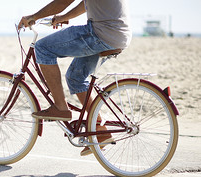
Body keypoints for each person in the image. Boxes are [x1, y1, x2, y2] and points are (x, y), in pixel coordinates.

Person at [18, 0, 131, 156]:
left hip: (99, 33)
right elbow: (86, 3)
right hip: (117, 36)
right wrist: (62, 17)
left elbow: (63, 1)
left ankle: (60, 107)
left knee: (42, 48)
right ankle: (99, 129)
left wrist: (34, 16)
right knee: (75, 77)